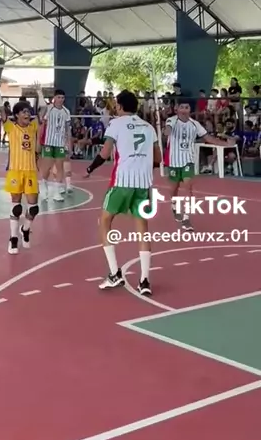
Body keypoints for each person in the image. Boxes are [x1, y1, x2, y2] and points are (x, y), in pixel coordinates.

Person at [98, 89, 161, 296]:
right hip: (143, 183)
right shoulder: (149, 127)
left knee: (104, 221)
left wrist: (91, 167)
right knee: (142, 228)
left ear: (119, 106)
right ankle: (144, 280)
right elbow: (158, 159)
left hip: (122, 181)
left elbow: (105, 152)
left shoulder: (115, 124)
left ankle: (114, 273)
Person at [164, 99, 233, 228]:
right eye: (182, 107)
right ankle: (174, 207)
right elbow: (167, 130)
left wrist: (225, 144)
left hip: (188, 161)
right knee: (173, 189)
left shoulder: (195, 124)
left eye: (187, 107)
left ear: (190, 110)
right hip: (174, 161)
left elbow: (208, 138)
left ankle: (186, 218)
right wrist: (166, 131)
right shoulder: (172, 120)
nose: (184, 110)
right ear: (177, 109)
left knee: (188, 188)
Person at [0, 79, 41, 254]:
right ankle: (13, 239)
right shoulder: (11, 127)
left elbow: (43, 110)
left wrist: (39, 92)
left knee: (33, 208)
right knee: (17, 206)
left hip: (31, 171)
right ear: (18, 115)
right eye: (24, 112)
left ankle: (25, 229)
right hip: (15, 171)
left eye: (28, 111)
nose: (27, 114)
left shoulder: (33, 126)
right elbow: (1, 109)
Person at [39, 89, 72, 202]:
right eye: (58, 97)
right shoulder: (49, 109)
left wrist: (69, 144)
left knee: (60, 167)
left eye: (62, 98)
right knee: (47, 167)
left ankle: (56, 192)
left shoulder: (66, 111)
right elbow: (42, 123)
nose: (60, 100)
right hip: (49, 142)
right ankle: (44, 185)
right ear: (54, 98)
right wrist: (39, 140)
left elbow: (68, 130)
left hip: (60, 143)